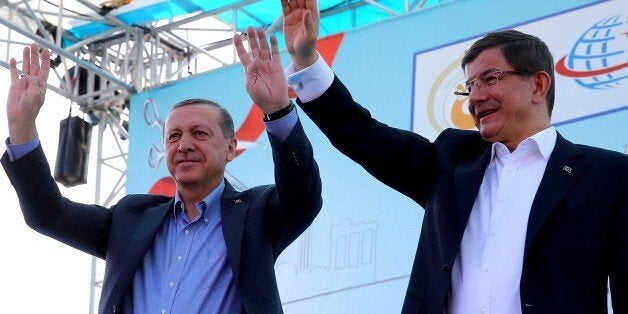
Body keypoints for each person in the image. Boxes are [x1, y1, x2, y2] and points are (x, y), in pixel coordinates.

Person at [238, 1, 627, 313]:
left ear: (539, 84)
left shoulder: (607, 176)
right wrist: (306, 59)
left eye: (490, 79)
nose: (475, 97)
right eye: (470, 86)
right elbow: (361, 134)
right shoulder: (451, 161)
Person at [2, 40, 322, 313]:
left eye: (199, 133)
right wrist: (21, 128)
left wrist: (278, 109)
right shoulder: (130, 217)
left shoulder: (256, 212)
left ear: (230, 147)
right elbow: (48, 215)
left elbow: (302, 194)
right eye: (173, 137)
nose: (184, 145)